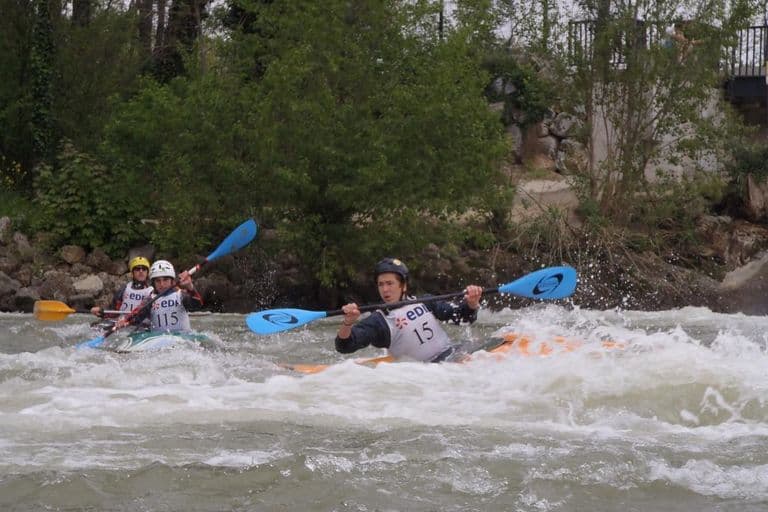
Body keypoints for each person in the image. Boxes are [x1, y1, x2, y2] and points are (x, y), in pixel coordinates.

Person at [335, 257, 483, 363]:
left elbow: (462, 318)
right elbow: (345, 346)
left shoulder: (425, 302)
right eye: (381, 284)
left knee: (479, 345)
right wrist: (347, 323)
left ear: (403, 285)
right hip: (433, 369)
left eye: (389, 283)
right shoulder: (379, 321)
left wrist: (472, 303)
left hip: (453, 353)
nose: (385, 289)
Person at [116, 259, 203, 332]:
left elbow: (198, 304)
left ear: (172, 281)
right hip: (158, 340)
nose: (162, 284)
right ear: (153, 283)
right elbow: (136, 316)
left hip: (181, 338)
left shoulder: (180, 295)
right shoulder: (150, 300)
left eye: (165, 280)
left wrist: (190, 287)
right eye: (158, 281)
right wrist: (125, 320)